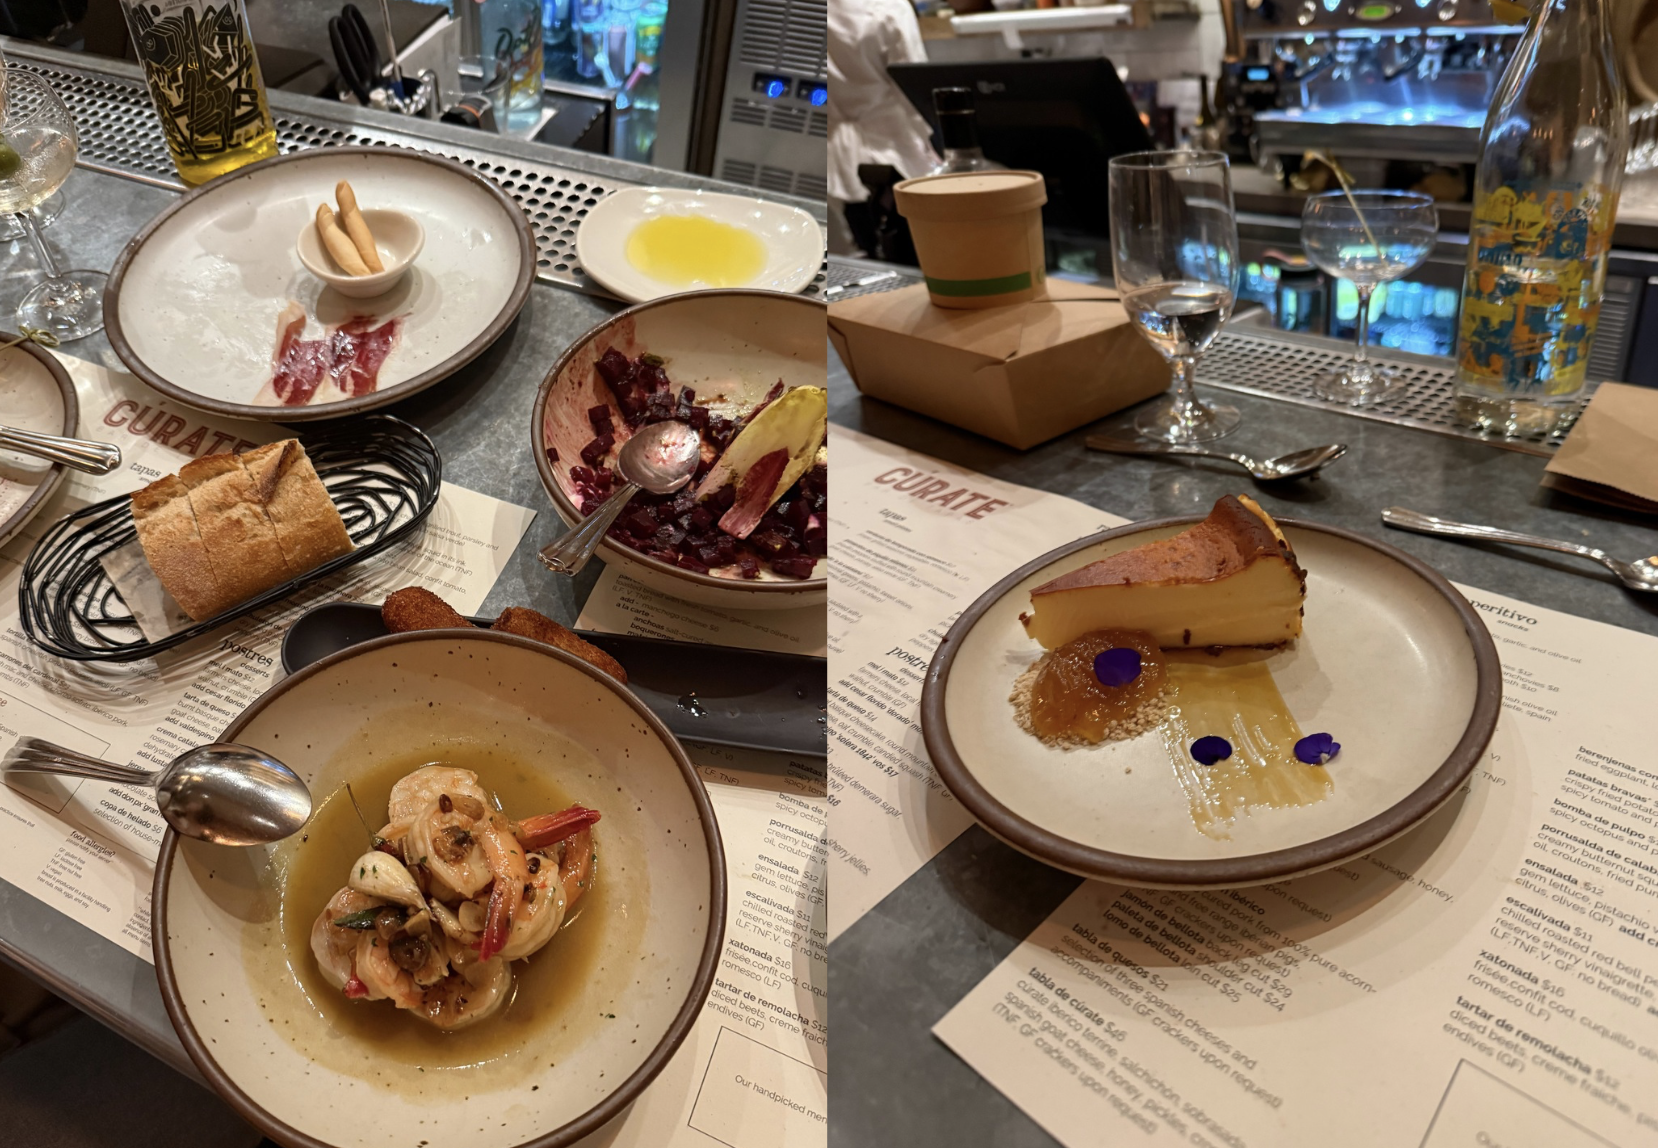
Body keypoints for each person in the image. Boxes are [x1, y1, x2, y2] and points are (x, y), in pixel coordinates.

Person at [827, 0, 940, 254]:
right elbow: (913, 87)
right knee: (922, 253)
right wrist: (933, 148)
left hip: (839, 157)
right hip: (896, 148)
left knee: (866, 249)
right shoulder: (889, 7)